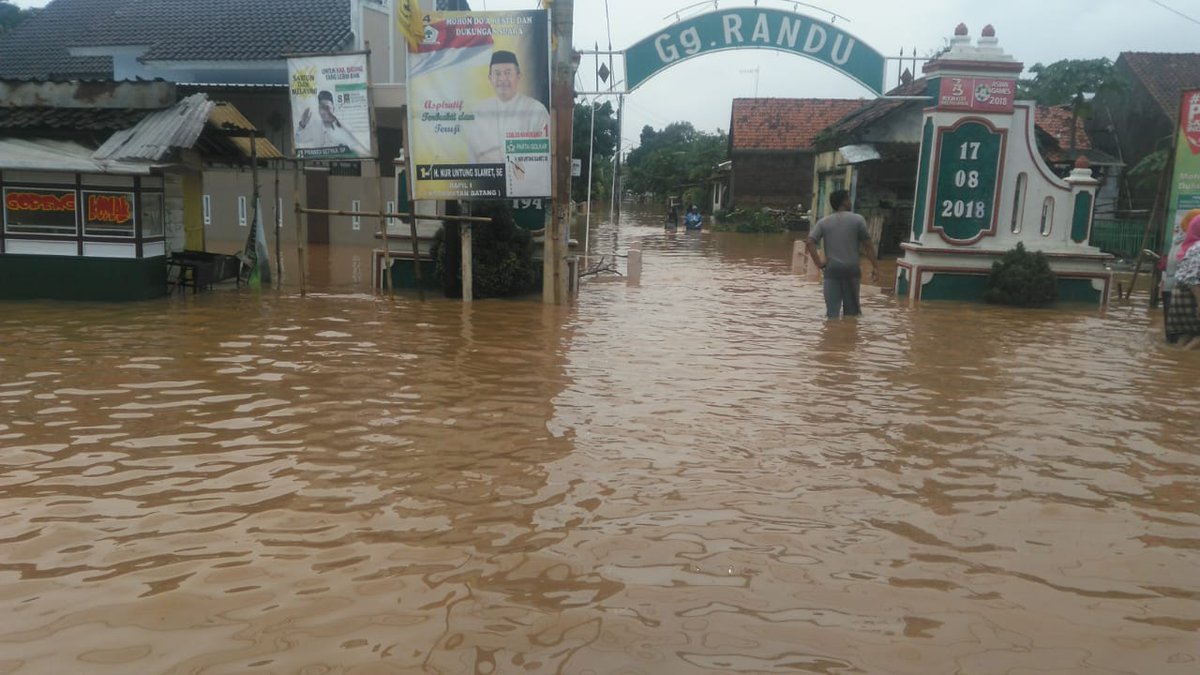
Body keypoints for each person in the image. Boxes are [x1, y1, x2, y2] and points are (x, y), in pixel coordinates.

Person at [465, 50, 551, 165]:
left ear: (518, 76)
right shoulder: (478, 113)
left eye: (508, 73)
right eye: (497, 73)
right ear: (490, 78)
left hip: (527, 181)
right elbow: (473, 161)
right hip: (487, 182)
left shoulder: (536, 110)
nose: (502, 79)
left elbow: (544, 158)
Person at [805, 189, 879, 318]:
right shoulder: (858, 220)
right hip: (852, 269)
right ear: (844, 201)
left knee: (832, 314)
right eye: (848, 199)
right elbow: (868, 245)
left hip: (832, 269)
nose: (850, 202)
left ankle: (832, 335)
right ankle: (849, 336)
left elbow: (810, 242)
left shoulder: (823, 222)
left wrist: (819, 263)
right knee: (852, 315)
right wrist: (875, 267)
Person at [295, 90, 370, 156]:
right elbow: (298, 140)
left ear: (333, 108)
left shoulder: (344, 128)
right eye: (321, 107)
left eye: (327, 107)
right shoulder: (315, 127)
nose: (324, 111)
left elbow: (357, 147)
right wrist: (302, 125)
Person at [1167, 213, 1200, 348]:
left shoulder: (1188, 245)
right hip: (1192, 298)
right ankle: (1181, 361)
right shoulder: (1198, 248)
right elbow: (1193, 279)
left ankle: (1175, 359)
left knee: (1187, 335)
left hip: (1181, 296)